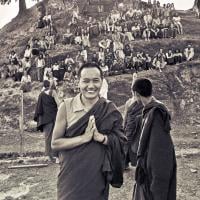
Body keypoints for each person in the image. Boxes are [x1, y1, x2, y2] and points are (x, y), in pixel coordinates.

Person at [51, 63, 126, 200]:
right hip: (71, 177)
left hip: (96, 176)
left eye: (95, 80)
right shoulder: (66, 106)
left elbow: (121, 140)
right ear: (78, 82)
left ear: (102, 82)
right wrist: (84, 138)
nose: (91, 86)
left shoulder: (109, 109)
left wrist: (101, 137)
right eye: (85, 81)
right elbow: (55, 143)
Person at [132, 78, 177, 200]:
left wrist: (156, 183)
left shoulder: (156, 113)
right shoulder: (150, 111)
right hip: (148, 170)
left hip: (153, 175)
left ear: (136, 94)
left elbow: (159, 151)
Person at [34, 80, 60, 162]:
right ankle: (52, 156)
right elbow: (58, 103)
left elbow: (39, 107)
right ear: (49, 85)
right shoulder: (53, 92)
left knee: (47, 137)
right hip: (52, 117)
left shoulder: (41, 94)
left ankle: (48, 156)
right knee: (53, 136)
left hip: (45, 119)